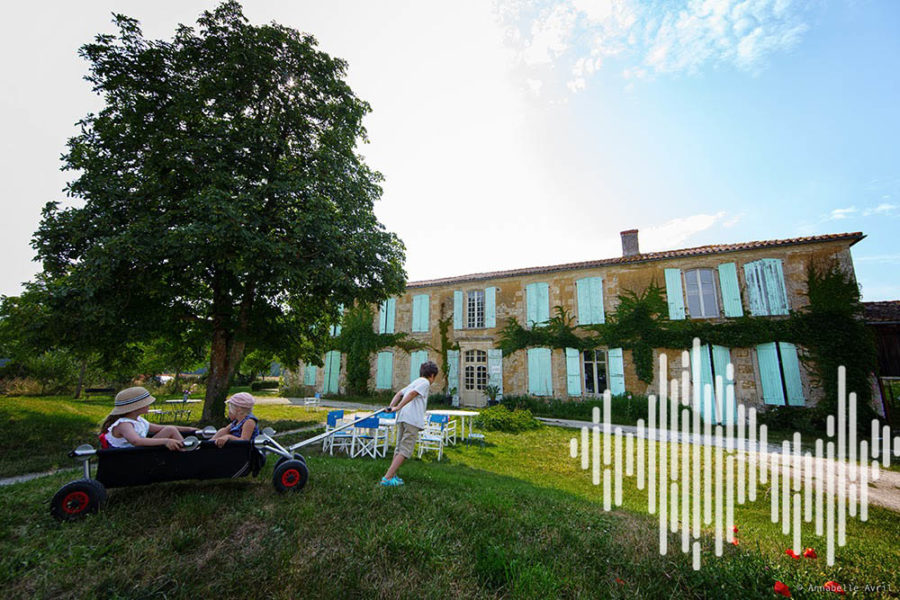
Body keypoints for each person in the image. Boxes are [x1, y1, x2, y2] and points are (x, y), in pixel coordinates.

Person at [380, 360, 439, 486]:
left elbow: (399, 394)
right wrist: (397, 407)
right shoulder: (425, 382)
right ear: (432, 375)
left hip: (402, 418)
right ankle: (387, 478)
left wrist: (391, 407)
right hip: (412, 419)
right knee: (405, 450)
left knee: (399, 448)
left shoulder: (415, 381)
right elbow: (412, 394)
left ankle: (392, 476)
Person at [100, 386, 195, 450]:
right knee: (170, 430)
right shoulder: (124, 424)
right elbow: (136, 441)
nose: (149, 404)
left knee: (170, 429)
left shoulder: (139, 420)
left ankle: (186, 450)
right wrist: (166, 441)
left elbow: (161, 428)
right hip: (129, 457)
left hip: (139, 452)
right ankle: (186, 454)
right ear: (136, 407)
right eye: (146, 403)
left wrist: (191, 429)